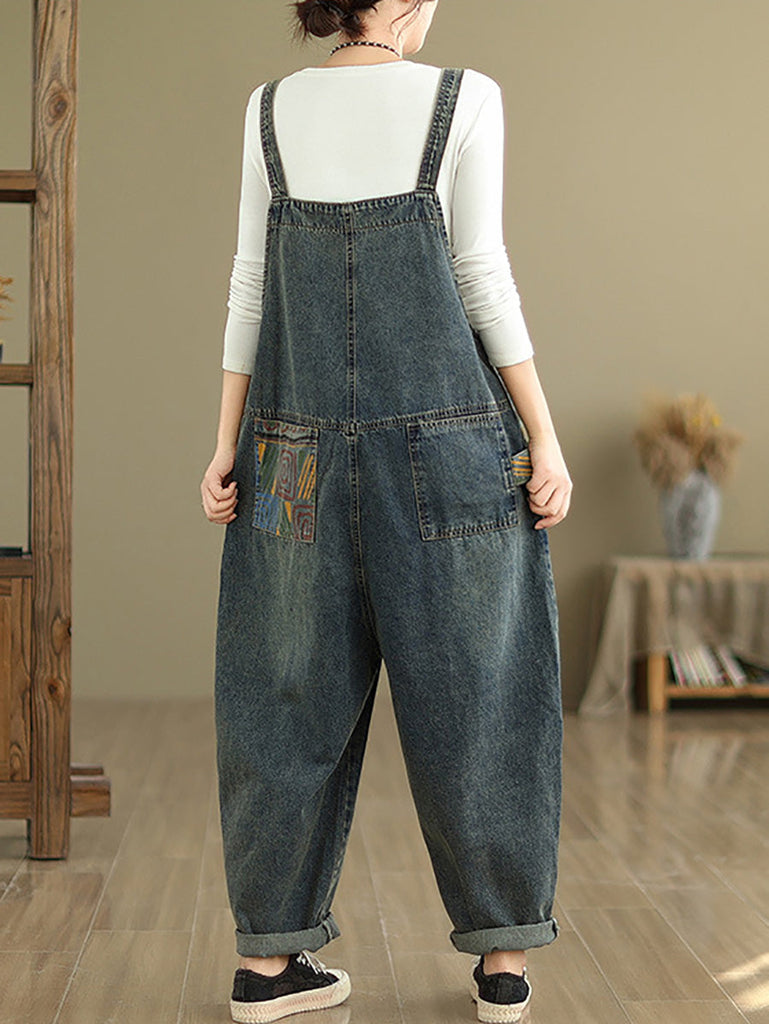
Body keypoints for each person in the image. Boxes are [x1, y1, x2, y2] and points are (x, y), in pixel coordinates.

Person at [200, 1, 573, 1020]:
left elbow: (248, 284)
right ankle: (502, 964)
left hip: (290, 455)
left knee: (283, 696)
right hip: (447, 452)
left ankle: (267, 967)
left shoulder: (269, 110)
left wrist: (228, 443)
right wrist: (542, 434)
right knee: (479, 697)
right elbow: (480, 273)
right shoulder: (463, 98)